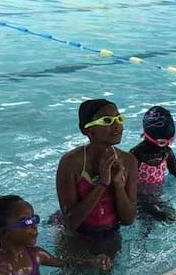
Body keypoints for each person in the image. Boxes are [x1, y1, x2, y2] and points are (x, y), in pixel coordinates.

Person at [55, 99, 138, 265]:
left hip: (111, 236)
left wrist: (118, 185)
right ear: (88, 130)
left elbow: (129, 219)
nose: (117, 125)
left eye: (119, 119)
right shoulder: (71, 163)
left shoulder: (128, 161)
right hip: (76, 240)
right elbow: (71, 223)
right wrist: (102, 183)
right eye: (107, 121)